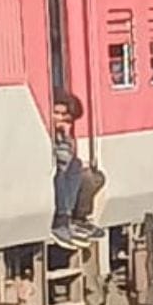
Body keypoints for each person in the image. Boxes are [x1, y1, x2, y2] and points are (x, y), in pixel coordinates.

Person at [52, 94, 97, 249]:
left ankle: (73, 219)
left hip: (61, 170)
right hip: (51, 175)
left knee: (80, 168)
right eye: (56, 113)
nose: (59, 118)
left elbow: (66, 158)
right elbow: (62, 162)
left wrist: (66, 136)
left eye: (65, 117)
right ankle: (61, 220)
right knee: (61, 174)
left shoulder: (62, 135)